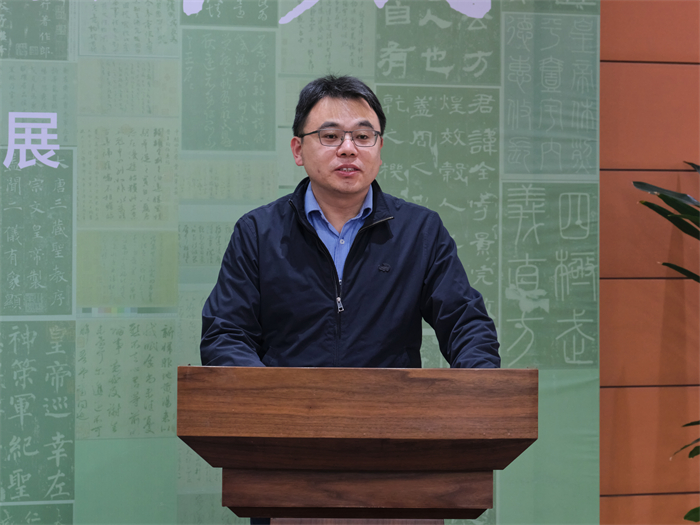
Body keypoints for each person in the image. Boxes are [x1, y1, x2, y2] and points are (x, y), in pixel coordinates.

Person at [201, 75, 499, 370]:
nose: (348, 148)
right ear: (298, 150)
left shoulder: (420, 231)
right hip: (287, 401)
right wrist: (270, 392)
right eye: (330, 136)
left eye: (363, 137)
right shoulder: (258, 232)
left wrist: (480, 386)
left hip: (389, 400)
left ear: (379, 149)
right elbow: (226, 334)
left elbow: (466, 324)